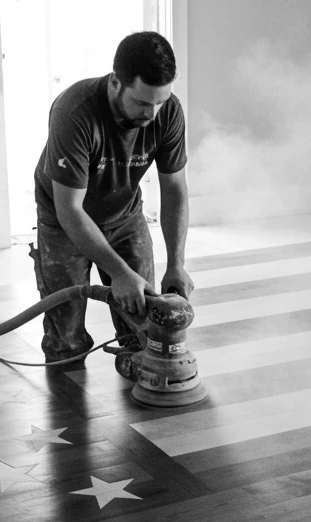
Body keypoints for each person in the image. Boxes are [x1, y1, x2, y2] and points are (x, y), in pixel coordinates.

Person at [29, 30, 195, 376]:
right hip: (65, 222)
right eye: (143, 103)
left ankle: (141, 382)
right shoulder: (74, 112)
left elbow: (175, 188)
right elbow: (70, 209)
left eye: (160, 102)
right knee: (66, 338)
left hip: (124, 213)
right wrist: (118, 272)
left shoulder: (168, 112)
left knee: (146, 321)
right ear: (116, 83)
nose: (152, 114)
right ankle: (68, 415)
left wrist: (177, 263)